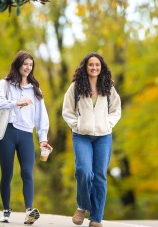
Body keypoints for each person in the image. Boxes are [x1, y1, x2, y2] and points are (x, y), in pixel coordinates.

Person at [0, 50, 52, 225]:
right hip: (7, 133)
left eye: (31, 65)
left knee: (27, 172)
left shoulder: (35, 89)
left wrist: (43, 139)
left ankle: (29, 211)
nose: (28, 67)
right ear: (18, 64)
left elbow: (42, 116)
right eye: (25, 64)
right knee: (7, 173)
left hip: (26, 134)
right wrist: (16, 103)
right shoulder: (5, 84)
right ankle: (6, 210)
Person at [62, 52, 121, 227]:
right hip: (81, 136)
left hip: (103, 136)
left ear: (101, 67)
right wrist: (76, 124)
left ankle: (96, 218)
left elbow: (116, 109)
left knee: (100, 176)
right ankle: (82, 206)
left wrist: (108, 124)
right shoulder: (75, 87)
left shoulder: (108, 87)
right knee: (83, 171)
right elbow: (66, 110)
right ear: (85, 67)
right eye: (91, 65)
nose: (94, 67)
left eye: (97, 65)